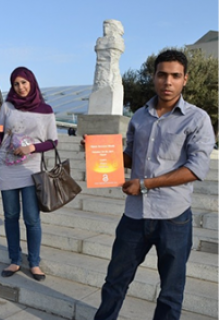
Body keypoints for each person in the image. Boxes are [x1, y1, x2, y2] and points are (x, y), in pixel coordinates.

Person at [91, 50, 215, 320]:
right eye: (162, 74)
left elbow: (196, 168)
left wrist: (145, 184)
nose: (167, 82)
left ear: (185, 80)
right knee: (114, 282)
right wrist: (98, 150)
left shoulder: (197, 119)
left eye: (175, 76)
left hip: (173, 217)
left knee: (170, 292)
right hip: (134, 215)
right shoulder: (139, 117)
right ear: (154, 77)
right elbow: (130, 157)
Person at [0, 67, 58, 281]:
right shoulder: (8, 107)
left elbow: (53, 141)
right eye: (16, 84)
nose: (21, 87)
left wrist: (31, 148)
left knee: (31, 218)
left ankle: (34, 263)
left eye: (24, 83)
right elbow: (1, 135)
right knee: (10, 216)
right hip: (7, 167)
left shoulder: (45, 110)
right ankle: (15, 260)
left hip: (31, 170)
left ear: (32, 82)